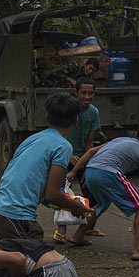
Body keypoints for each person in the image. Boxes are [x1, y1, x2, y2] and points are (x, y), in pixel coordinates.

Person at [0, 92, 93, 242]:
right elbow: (53, 193)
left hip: (1, 211)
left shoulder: (32, 139)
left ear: (46, 118)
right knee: (36, 259)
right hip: (15, 216)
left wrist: (65, 203)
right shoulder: (63, 146)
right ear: (76, 121)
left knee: (31, 250)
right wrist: (74, 206)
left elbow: (46, 193)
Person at [67, 121, 139, 260]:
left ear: (136, 134)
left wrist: (74, 172)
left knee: (101, 205)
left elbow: (91, 151)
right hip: (108, 172)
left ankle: (78, 236)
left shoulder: (120, 140)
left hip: (91, 170)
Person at [54, 77, 103, 243]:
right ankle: (61, 230)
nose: (87, 97)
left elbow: (90, 140)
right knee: (63, 193)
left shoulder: (94, 112)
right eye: (84, 93)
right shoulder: (69, 110)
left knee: (92, 192)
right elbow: (60, 134)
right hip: (64, 155)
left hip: (83, 157)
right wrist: (69, 155)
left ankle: (88, 227)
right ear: (76, 93)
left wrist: (86, 160)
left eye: (91, 93)